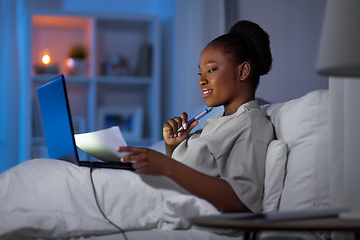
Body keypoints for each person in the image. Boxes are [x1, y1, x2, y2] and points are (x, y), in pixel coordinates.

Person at [118, 20, 274, 213]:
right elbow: (187, 178)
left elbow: (243, 202)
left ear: (242, 71)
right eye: (200, 73)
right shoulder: (217, 122)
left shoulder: (251, 124)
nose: (201, 80)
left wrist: (168, 167)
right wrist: (172, 148)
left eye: (211, 69)